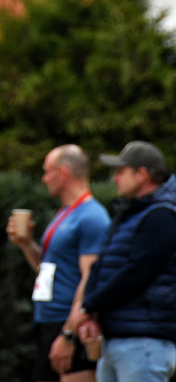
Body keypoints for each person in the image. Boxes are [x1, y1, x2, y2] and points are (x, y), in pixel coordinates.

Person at [7, 145, 111, 382]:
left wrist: (69, 335)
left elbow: (90, 278)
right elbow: (49, 269)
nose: (44, 179)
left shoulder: (92, 217)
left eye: (47, 172)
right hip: (50, 324)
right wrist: (26, 244)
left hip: (70, 325)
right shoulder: (66, 212)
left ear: (62, 173)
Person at [76, 141, 176, 382]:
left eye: (121, 171)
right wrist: (92, 312)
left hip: (143, 344)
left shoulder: (162, 215)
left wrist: (89, 305)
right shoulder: (131, 213)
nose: (115, 178)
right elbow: (100, 266)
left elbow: (137, 273)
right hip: (118, 339)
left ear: (142, 174)